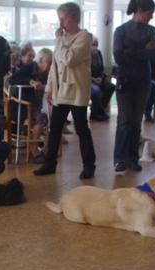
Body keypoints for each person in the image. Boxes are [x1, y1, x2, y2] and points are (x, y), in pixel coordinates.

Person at [32, 2, 96, 180]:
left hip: (76, 92)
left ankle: (89, 165)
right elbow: (55, 65)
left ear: (74, 18)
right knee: (55, 128)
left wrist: (59, 40)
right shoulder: (61, 41)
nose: (60, 23)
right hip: (61, 92)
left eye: (63, 18)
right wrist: (50, 88)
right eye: (59, 19)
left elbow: (69, 59)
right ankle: (50, 163)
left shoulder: (84, 38)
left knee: (81, 128)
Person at [112, 0, 155, 172]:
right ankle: (120, 159)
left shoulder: (151, 30)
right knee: (124, 119)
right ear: (139, 11)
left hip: (143, 81)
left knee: (136, 121)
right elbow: (118, 56)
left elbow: (153, 54)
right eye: (149, 13)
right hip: (125, 81)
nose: (151, 17)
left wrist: (129, 50)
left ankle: (133, 158)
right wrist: (141, 50)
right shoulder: (121, 30)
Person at [8, 46, 51, 164]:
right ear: (41, 60)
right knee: (41, 117)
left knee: (56, 116)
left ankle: (47, 148)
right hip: (26, 104)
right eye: (50, 62)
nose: (51, 65)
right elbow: (13, 80)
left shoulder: (48, 72)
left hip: (43, 102)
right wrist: (31, 82)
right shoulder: (29, 67)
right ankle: (33, 149)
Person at [89, 37, 115, 121]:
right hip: (89, 80)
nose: (95, 47)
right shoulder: (86, 55)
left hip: (99, 78)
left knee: (110, 87)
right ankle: (98, 112)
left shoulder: (99, 53)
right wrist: (93, 79)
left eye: (96, 45)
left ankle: (97, 110)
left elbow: (101, 68)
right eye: (93, 45)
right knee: (96, 91)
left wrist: (100, 78)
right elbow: (85, 70)